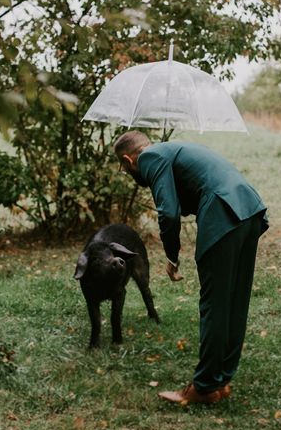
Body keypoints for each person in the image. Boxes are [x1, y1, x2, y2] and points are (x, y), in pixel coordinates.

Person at [113, 130, 269, 405]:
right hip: (248, 209)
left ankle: (205, 387)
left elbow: (169, 212)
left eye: (124, 169)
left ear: (128, 160)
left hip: (224, 214)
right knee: (235, 300)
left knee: (215, 303)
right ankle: (221, 380)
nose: (127, 173)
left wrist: (172, 256)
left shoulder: (150, 157)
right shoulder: (169, 151)